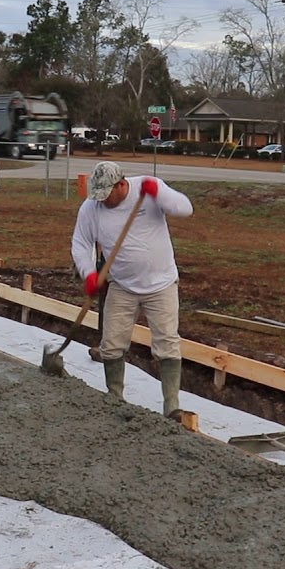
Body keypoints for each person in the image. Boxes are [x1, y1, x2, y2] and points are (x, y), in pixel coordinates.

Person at [71, 161, 193, 416]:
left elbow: (185, 209)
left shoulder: (148, 190)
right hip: (122, 286)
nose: (102, 201)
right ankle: (114, 398)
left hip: (161, 284)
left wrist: (160, 193)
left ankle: (172, 405)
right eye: (98, 196)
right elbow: (81, 243)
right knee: (111, 343)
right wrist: (89, 273)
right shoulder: (91, 208)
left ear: (122, 184)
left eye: (107, 195)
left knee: (167, 343)